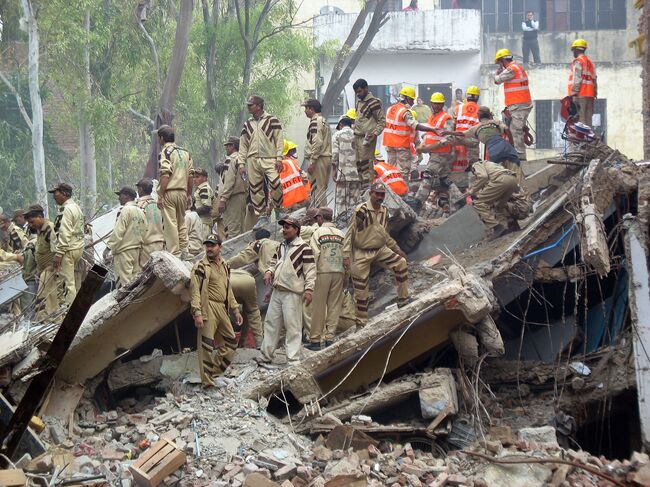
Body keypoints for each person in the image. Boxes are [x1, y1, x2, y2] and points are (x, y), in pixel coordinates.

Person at [343, 183, 409, 325]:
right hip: (361, 252)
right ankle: (361, 322)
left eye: (382, 194)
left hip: (380, 249)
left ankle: (403, 299)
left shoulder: (384, 211)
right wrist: (346, 256)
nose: (379, 197)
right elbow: (350, 233)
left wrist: (397, 249)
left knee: (400, 263)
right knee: (361, 290)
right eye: (377, 194)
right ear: (371, 193)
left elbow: (385, 234)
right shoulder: (362, 210)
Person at [259, 217, 316, 365]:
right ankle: (266, 355)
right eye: (283, 227)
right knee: (271, 323)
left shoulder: (304, 247)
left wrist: (309, 289)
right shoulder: (281, 246)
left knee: (293, 326)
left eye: (287, 227)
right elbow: (274, 262)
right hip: (277, 291)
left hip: (292, 292)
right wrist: (269, 271)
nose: (284, 230)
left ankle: (292, 360)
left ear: (296, 230)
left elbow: (310, 271)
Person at [189, 234, 243, 387]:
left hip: (222, 307)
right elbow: (195, 292)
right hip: (208, 307)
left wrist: (235, 309)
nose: (209, 248)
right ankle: (207, 382)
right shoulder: (200, 266)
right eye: (207, 245)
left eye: (212, 245)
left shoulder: (225, 265)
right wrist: (197, 313)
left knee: (232, 342)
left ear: (220, 247)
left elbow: (228, 289)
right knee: (206, 345)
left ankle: (214, 372)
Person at [446, 106, 526, 189]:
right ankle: (524, 195)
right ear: (489, 114)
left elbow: (461, 134)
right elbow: (507, 129)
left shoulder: (476, 128)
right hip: (506, 147)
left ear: (478, 115)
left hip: (494, 151)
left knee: (497, 177)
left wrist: (448, 132)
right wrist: (511, 145)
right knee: (517, 175)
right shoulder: (496, 122)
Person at [238, 95, 284, 229]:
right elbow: (243, 145)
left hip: (269, 157)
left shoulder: (272, 120)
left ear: (258, 106)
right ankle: (263, 215)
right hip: (252, 159)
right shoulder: (247, 124)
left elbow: (279, 140)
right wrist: (241, 164)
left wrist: (279, 158)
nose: (248, 107)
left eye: (250, 105)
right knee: (255, 188)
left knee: (276, 183)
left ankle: (278, 209)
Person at [307, 207, 344, 350]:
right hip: (338, 272)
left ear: (320, 218)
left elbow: (314, 254)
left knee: (318, 307)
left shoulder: (318, 233)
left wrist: (310, 275)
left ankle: (316, 340)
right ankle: (329, 338)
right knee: (334, 305)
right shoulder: (341, 234)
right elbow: (346, 254)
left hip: (322, 272)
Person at [412, 92, 455, 214]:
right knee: (444, 180)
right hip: (434, 153)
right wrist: (422, 147)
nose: (436, 106)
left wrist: (427, 148)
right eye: (434, 103)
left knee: (428, 175)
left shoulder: (447, 118)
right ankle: (459, 201)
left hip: (441, 153)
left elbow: (448, 139)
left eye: (438, 104)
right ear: (431, 103)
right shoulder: (432, 117)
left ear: (442, 104)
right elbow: (429, 135)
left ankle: (417, 202)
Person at [384, 86, 437, 181]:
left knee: (391, 172)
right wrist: (432, 129)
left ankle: (391, 192)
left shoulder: (389, 109)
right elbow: (415, 125)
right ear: (407, 99)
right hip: (401, 147)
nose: (413, 103)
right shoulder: (405, 112)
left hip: (389, 145)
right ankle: (402, 194)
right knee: (403, 173)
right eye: (412, 100)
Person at [156, 124, 193, 257]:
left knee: (170, 224)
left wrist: (161, 195)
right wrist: (189, 194)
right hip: (182, 192)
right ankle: (185, 250)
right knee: (181, 222)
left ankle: (175, 254)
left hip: (170, 192)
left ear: (161, 138)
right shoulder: (185, 152)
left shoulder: (165, 152)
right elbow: (190, 176)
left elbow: (165, 174)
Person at [493, 48, 533, 162]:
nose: (500, 65)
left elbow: (497, 80)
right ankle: (518, 155)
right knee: (516, 129)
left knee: (515, 130)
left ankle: (520, 157)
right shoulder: (518, 67)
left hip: (518, 105)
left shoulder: (511, 69)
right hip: (522, 104)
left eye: (499, 63)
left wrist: (497, 73)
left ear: (502, 61)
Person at [49, 182, 85, 305]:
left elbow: (64, 232)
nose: (54, 196)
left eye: (56, 193)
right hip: (77, 247)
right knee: (73, 281)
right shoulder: (76, 207)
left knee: (68, 283)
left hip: (68, 249)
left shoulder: (66, 209)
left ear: (64, 193)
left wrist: (59, 253)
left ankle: (69, 309)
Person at [468, 160, 521, 239]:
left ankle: (497, 227)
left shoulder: (476, 164)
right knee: (499, 205)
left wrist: (472, 190)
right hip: (512, 179)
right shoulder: (491, 164)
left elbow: (483, 177)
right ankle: (512, 225)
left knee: (478, 203)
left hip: (501, 181)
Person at [24, 204, 59, 320]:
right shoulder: (40, 231)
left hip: (51, 271)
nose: (31, 225)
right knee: (47, 299)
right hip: (44, 272)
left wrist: (55, 271)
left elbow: (57, 251)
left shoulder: (49, 229)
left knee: (45, 299)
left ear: (40, 217)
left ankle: (48, 320)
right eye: (29, 223)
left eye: (32, 222)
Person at [106, 187, 147, 285]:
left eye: (120, 195)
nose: (119, 198)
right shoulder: (141, 211)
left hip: (124, 252)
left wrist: (108, 248)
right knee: (133, 283)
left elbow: (118, 231)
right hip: (136, 251)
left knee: (123, 284)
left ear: (127, 196)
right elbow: (145, 230)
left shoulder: (125, 210)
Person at [214, 136, 249, 239]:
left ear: (233, 146)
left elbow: (229, 181)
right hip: (242, 197)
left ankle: (234, 254)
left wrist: (223, 200)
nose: (226, 148)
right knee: (241, 229)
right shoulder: (243, 159)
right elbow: (246, 180)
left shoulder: (231, 159)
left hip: (233, 198)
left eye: (227, 146)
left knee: (232, 231)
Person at [353, 79, 386, 185]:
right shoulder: (359, 102)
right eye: (356, 92)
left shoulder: (373, 102)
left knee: (366, 165)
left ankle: (368, 191)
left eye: (360, 91)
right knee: (359, 166)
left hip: (366, 139)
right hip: (357, 137)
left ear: (366, 88)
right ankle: (363, 191)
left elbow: (382, 121)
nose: (358, 94)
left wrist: (374, 134)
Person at [302, 99, 332, 205]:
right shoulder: (323, 120)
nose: (305, 111)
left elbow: (317, 142)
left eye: (306, 108)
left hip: (319, 160)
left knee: (317, 190)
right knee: (321, 189)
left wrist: (313, 162)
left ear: (312, 109)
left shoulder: (315, 121)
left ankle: (320, 217)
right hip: (325, 158)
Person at [332, 115, 361, 219]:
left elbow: (335, 155)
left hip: (342, 173)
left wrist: (334, 171)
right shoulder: (357, 135)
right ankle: (354, 220)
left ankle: (341, 220)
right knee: (355, 200)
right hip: (357, 173)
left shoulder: (337, 135)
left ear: (340, 124)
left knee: (341, 199)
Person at [230, 268, 263, 347]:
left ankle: (228, 343)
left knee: (221, 312)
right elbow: (247, 317)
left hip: (230, 281)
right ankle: (259, 342)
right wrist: (242, 339)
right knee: (252, 311)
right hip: (248, 280)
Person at [136, 178, 165, 266]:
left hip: (146, 247)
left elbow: (138, 228)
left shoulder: (140, 206)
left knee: (145, 276)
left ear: (140, 189)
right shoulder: (158, 205)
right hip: (160, 245)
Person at [569, 39, 597, 128]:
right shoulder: (590, 63)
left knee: (580, 121)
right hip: (590, 95)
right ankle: (590, 141)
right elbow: (594, 80)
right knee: (588, 121)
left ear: (577, 49)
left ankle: (583, 141)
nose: (573, 52)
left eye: (573, 50)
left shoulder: (578, 61)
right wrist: (595, 93)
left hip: (580, 94)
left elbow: (577, 78)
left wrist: (574, 93)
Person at [452, 85, 481, 167]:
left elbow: (453, 124)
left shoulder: (458, 108)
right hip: (472, 139)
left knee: (452, 156)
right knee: (474, 159)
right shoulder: (481, 110)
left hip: (458, 137)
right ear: (477, 97)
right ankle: (473, 166)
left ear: (467, 96)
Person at [280, 140, 310, 210]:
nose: (294, 152)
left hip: (288, 204)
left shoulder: (277, 166)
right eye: (292, 151)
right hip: (302, 200)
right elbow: (304, 178)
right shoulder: (293, 163)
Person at [192, 168, 215, 240]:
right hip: (201, 222)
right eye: (194, 177)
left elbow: (206, 207)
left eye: (197, 177)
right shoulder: (200, 189)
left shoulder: (204, 188)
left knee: (203, 245)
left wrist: (192, 214)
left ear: (205, 178)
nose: (194, 179)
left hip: (204, 223)